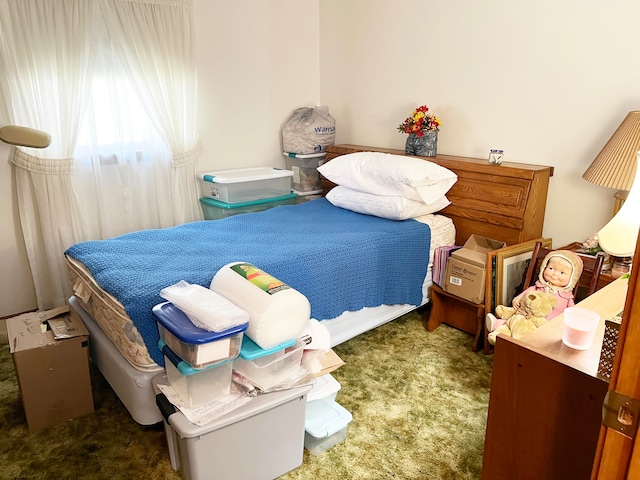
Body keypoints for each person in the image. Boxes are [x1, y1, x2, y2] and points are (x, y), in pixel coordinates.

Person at [486, 249, 584, 332]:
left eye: (562, 273)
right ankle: (497, 324)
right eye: (551, 268)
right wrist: (518, 299)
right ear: (544, 268)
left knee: (524, 326)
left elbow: (573, 312)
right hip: (526, 315)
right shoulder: (539, 286)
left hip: (547, 326)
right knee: (515, 317)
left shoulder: (566, 297)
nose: (554, 274)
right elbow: (526, 292)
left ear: (572, 278)